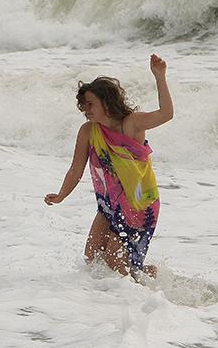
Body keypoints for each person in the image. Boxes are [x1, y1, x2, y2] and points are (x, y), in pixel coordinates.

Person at [44, 54, 173, 278]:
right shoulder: (88, 131)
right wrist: (62, 195)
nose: (86, 109)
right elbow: (76, 169)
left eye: (91, 104)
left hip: (138, 203)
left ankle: (142, 293)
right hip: (109, 204)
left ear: (106, 101)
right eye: (83, 105)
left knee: (115, 261)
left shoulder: (132, 123)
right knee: (92, 257)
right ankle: (112, 297)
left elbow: (166, 114)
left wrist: (160, 77)